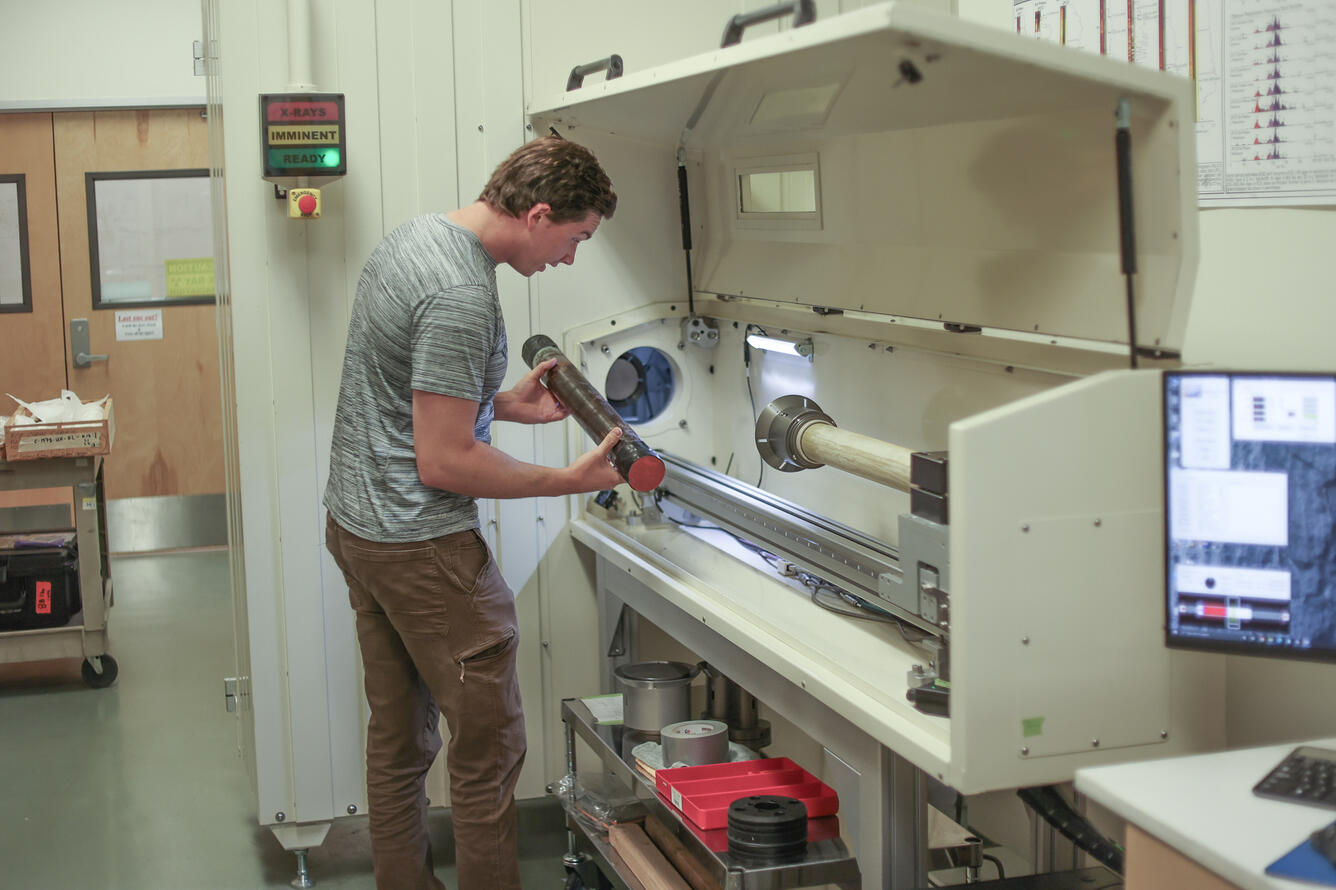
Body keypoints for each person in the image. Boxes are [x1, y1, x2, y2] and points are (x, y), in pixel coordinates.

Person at [323, 135, 622, 890]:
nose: (571, 259)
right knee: (488, 751)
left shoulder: (418, 240)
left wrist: (504, 405)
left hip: (360, 528)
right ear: (541, 213)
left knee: (398, 741)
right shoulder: (461, 295)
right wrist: (569, 478)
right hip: (424, 551)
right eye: (575, 238)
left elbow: (409, 400)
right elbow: (444, 461)